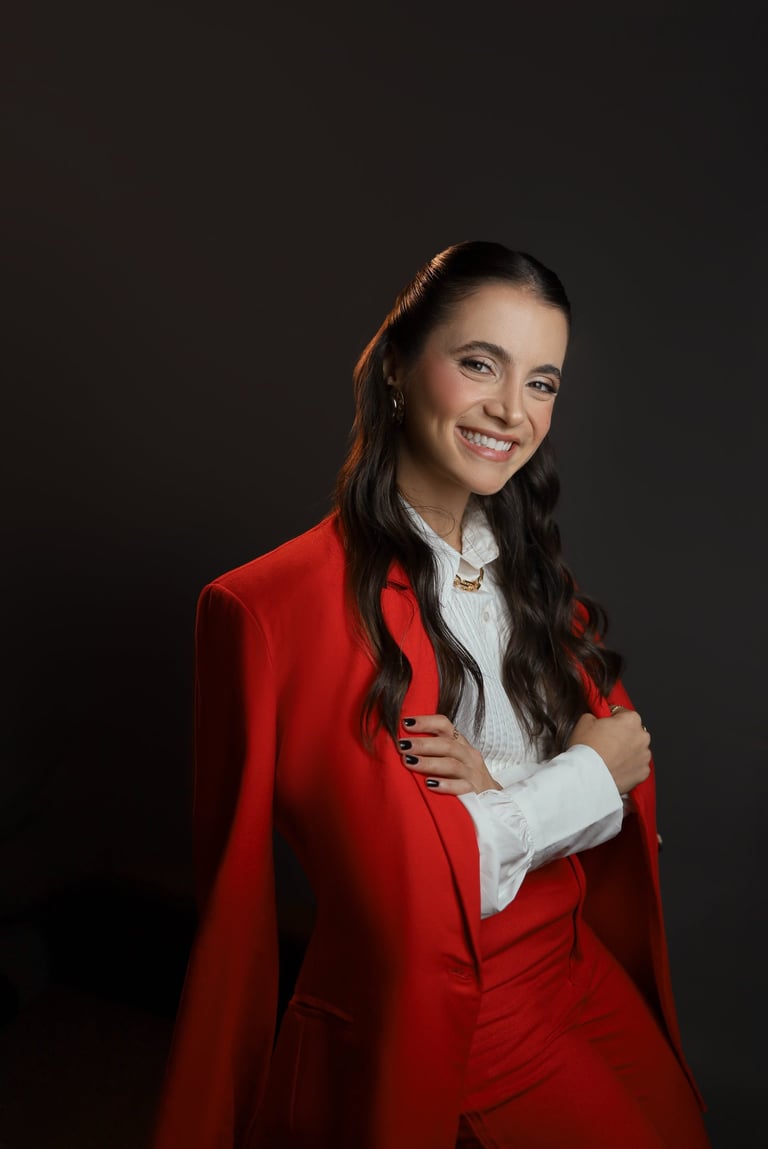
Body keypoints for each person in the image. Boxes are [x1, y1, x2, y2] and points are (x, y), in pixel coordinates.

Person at [151, 241, 712, 1148]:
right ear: (399, 369)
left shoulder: (528, 573)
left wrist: (501, 793)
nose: (512, 410)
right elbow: (405, 889)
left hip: (575, 954)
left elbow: (626, 772)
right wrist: (578, 778)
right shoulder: (274, 609)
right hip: (471, 1007)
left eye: (542, 381)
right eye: (481, 363)